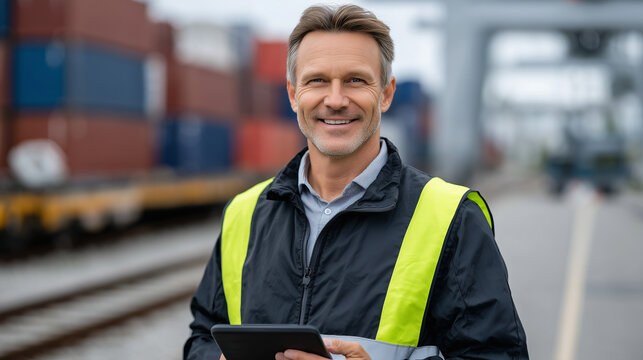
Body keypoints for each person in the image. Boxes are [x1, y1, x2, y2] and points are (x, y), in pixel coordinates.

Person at [184, 4, 528, 360]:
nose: (335, 100)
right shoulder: (245, 213)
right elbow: (202, 338)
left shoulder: (452, 218)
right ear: (292, 94)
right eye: (317, 80)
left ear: (386, 93)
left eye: (355, 80)